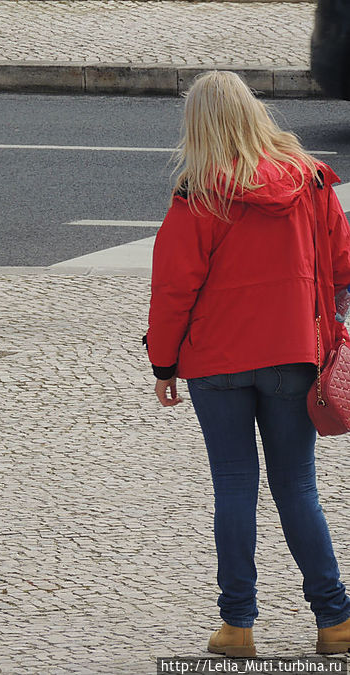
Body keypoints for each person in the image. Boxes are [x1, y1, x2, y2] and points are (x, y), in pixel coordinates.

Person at [146, 71, 350, 657]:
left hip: (217, 362)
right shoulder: (309, 180)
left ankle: (238, 626)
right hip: (292, 354)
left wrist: (164, 365)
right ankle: (334, 620)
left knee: (234, 486)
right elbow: (342, 267)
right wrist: (327, 327)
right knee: (297, 487)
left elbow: (173, 290)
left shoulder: (200, 192)